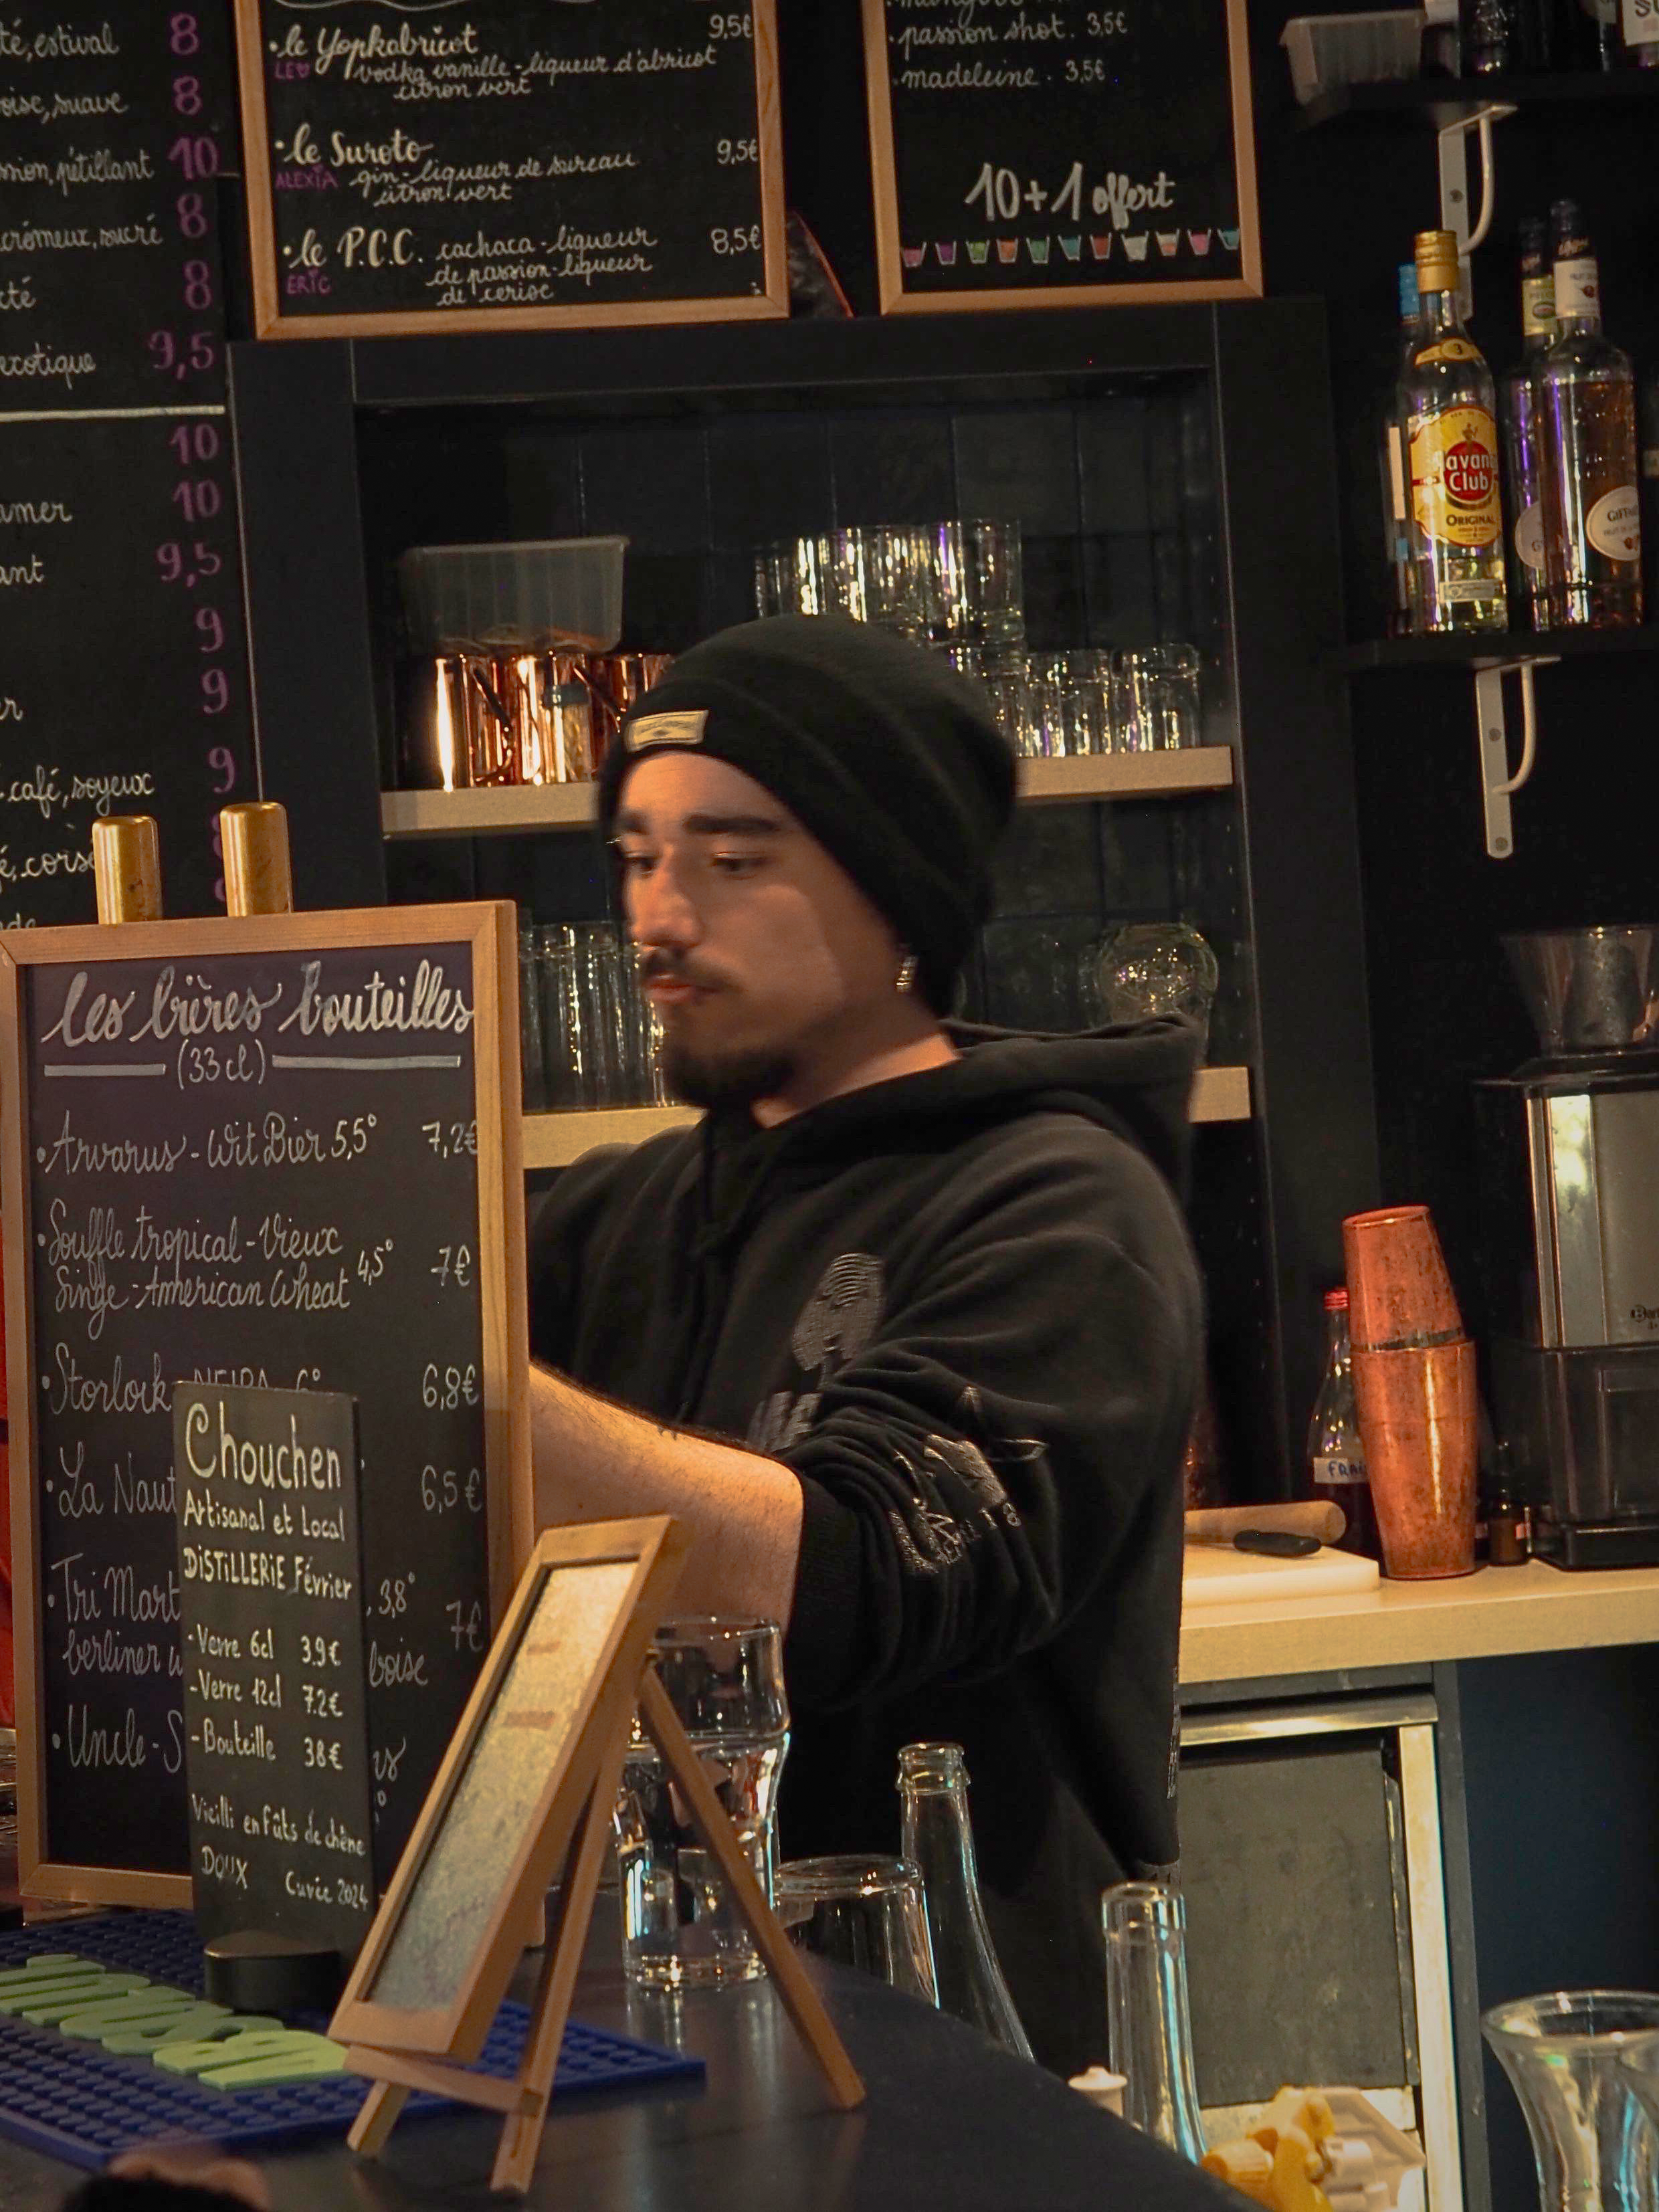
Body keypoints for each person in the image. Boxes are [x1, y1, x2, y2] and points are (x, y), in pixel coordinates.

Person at [527, 615, 1203, 2074]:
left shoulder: (1064, 1206)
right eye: (639, 855)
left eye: (735, 856)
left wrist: (438, 1372)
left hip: (968, 2067)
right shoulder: (616, 1221)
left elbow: (846, 1578)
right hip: (648, 2045)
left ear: (897, 894)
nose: (658, 919)